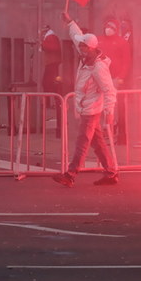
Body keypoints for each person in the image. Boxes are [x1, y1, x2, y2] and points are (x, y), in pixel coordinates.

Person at [52, 12, 118, 188]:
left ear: (91, 48)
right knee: (97, 143)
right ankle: (111, 173)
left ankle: (71, 174)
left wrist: (109, 112)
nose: (79, 49)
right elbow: (75, 36)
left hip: (91, 110)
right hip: (86, 108)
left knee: (82, 142)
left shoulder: (98, 67)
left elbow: (110, 91)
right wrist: (70, 22)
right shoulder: (86, 56)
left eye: (83, 47)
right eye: (80, 47)